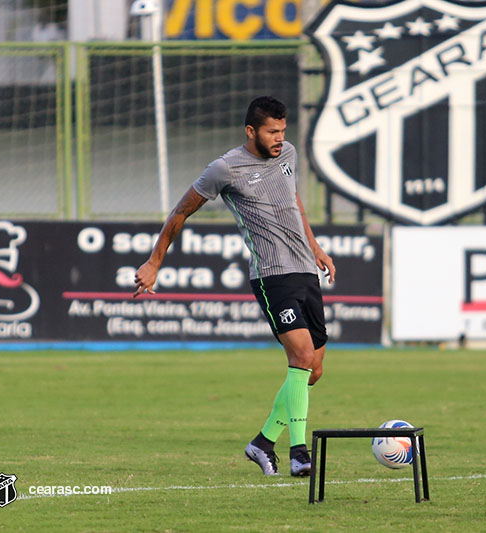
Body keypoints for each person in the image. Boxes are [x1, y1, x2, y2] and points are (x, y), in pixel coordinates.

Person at [133, 96, 335, 477]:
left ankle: (261, 444)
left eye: (282, 131)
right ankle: (299, 452)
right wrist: (154, 261)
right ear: (250, 131)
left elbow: (292, 201)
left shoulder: (287, 154)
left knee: (315, 369)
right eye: (271, 131)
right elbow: (181, 211)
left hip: (306, 271)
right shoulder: (224, 169)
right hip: (272, 276)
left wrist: (316, 246)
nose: (279, 138)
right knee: (302, 358)